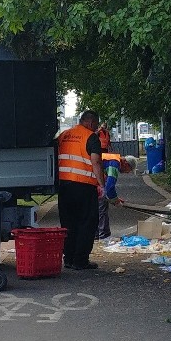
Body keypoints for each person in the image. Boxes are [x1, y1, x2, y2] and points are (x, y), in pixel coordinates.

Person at [56, 110, 104, 270]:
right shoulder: (91, 137)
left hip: (64, 186)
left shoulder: (64, 135)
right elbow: (96, 162)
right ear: (90, 123)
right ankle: (80, 260)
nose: (96, 128)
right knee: (87, 223)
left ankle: (68, 258)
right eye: (96, 125)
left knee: (68, 223)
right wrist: (101, 185)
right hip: (84, 187)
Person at [96, 154, 137, 239]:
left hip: (93, 182)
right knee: (101, 209)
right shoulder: (114, 164)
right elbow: (109, 187)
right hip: (94, 183)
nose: (127, 172)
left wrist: (115, 199)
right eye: (129, 170)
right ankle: (103, 235)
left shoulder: (113, 160)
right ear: (126, 163)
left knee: (99, 209)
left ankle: (102, 234)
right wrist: (116, 201)